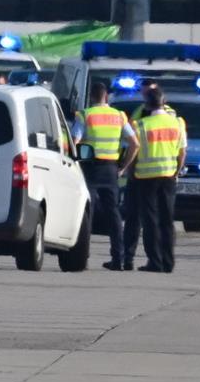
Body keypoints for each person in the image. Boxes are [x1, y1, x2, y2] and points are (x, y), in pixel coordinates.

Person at [71, 82, 139, 270]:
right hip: (111, 169)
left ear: (91, 96)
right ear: (106, 96)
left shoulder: (85, 115)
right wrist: (123, 167)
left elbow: (74, 141)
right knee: (113, 214)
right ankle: (119, 259)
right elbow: (135, 143)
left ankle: (81, 256)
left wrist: (74, 163)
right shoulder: (119, 116)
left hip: (89, 168)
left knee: (86, 213)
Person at [121, 79, 180, 269]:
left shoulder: (142, 123)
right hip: (168, 175)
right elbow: (182, 151)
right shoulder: (176, 121)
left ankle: (155, 261)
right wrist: (177, 171)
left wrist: (129, 169)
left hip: (145, 177)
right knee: (166, 220)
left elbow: (133, 147)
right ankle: (167, 262)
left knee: (151, 221)